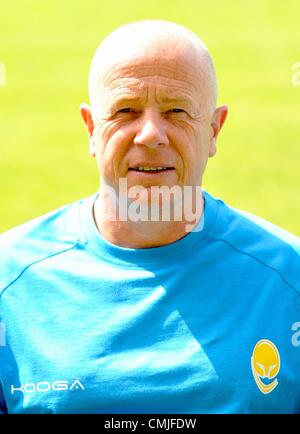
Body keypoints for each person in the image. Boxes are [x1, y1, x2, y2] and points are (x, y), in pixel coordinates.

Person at [0, 19, 299, 415]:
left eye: (177, 111)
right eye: (126, 111)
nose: (151, 135)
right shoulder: (10, 279)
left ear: (214, 129)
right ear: (91, 128)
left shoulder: (288, 277)